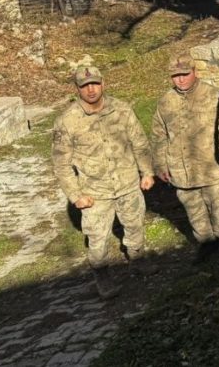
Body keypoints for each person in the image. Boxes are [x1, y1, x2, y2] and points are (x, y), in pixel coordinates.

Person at [52, 66, 156, 299]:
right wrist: (75, 195)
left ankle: (138, 260)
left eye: (95, 83)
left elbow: (139, 143)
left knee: (135, 224)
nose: (91, 89)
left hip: (128, 182)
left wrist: (147, 172)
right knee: (98, 237)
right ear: (77, 88)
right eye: (84, 85)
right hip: (95, 191)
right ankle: (102, 275)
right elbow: (61, 164)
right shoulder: (68, 121)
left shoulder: (122, 110)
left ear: (103, 83)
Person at [151, 55, 219, 264]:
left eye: (184, 74)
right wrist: (161, 164)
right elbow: (158, 135)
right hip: (182, 169)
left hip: (210, 165)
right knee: (193, 207)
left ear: (194, 72)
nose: (180, 80)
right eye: (175, 76)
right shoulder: (165, 101)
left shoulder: (214, 95)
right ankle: (206, 242)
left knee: (217, 203)